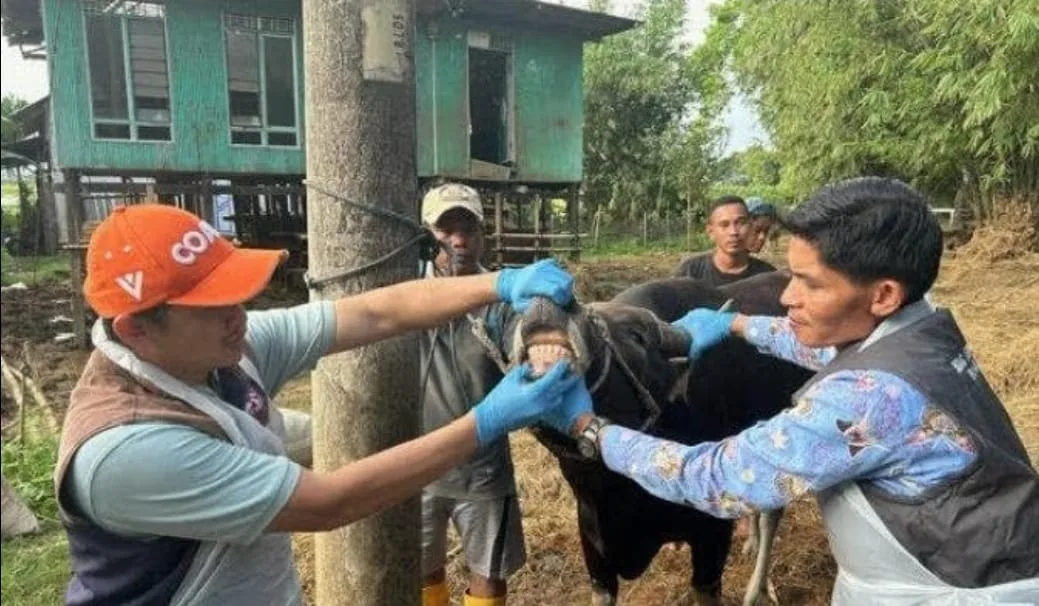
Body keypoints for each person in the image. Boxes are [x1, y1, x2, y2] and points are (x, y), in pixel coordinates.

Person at [53, 203, 584, 605]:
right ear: (137, 330)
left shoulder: (221, 348)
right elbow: (330, 502)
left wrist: (501, 282)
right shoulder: (127, 451)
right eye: (210, 306)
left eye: (234, 294)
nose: (238, 314)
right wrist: (487, 420)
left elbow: (376, 314)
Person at [549, 178, 1039, 604]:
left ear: (884, 294)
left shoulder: (867, 401)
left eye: (808, 283)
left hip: (950, 592)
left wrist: (590, 430)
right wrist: (737, 323)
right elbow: (835, 353)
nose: (786, 296)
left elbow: (717, 479)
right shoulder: (925, 332)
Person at [417, 183, 525, 606]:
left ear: (483, 233)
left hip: (482, 464)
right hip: (414, 461)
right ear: (427, 234)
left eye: (469, 228)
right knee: (422, 569)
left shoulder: (502, 297)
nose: (459, 240)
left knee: (489, 575)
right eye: (447, 230)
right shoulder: (404, 291)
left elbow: (525, 337)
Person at [674, 195, 775, 286]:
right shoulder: (691, 272)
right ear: (711, 232)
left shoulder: (768, 276)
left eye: (740, 223)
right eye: (724, 225)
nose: (733, 232)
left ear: (749, 226)